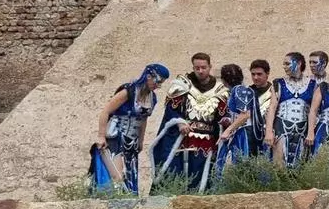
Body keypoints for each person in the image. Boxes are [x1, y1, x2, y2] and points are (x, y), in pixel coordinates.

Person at [93, 63, 169, 193]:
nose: (157, 85)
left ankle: (128, 203)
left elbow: (144, 120)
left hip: (132, 141)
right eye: (157, 81)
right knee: (117, 177)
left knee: (130, 177)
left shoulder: (152, 98)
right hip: (116, 138)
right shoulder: (128, 91)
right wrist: (101, 136)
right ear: (148, 76)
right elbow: (106, 111)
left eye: (161, 83)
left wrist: (141, 141)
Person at [164, 53, 230, 192]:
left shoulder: (220, 90)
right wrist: (180, 123)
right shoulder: (182, 85)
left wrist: (226, 122)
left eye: (203, 67)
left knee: (205, 178)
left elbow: (223, 115)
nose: (200, 71)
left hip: (208, 141)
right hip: (184, 139)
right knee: (179, 176)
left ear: (210, 67)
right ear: (193, 67)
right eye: (197, 68)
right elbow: (171, 109)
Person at [265, 52, 317, 168]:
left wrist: (311, 132)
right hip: (281, 127)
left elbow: (313, 110)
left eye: (287, 64)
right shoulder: (278, 83)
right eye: (284, 64)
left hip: (302, 129)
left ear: (298, 64)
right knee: (278, 165)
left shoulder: (313, 84)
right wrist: (268, 131)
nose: (284, 66)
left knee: (299, 164)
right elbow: (272, 108)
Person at [216, 64, 258, 177]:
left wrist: (228, 130)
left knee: (240, 164)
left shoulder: (239, 90)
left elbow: (245, 115)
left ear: (224, 80)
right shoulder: (238, 90)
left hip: (244, 134)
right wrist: (228, 120)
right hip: (239, 132)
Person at [248, 59, 273, 157]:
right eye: (253, 74)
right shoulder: (247, 92)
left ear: (267, 73)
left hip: (267, 136)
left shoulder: (274, 92)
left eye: (259, 74)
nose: (255, 77)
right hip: (250, 136)